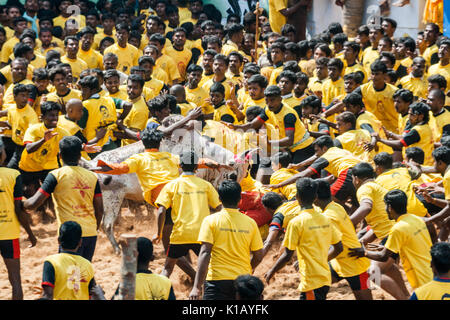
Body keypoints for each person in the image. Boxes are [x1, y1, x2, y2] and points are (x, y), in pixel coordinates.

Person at [23, 136, 103, 261]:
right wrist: (95, 228)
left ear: (60, 155)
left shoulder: (55, 175)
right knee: (83, 272)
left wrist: (21, 204)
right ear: (79, 156)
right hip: (90, 233)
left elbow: (34, 203)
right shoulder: (93, 177)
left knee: (71, 274)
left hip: (69, 235)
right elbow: (100, 210)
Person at [264, 177, 343, 300]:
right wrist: (321, 260)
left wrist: (272, 271)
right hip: (325, 277)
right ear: (315, 197)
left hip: (311, 281)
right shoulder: (325, 218)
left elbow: (287, 255)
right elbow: (339, 247)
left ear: (297, 197)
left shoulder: (296, 222)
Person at [350, 189, 434, 298]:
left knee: (373, 273)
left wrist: (364, 252)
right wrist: (383, 248)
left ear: (389, 207)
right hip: (430, 270)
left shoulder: (398, 228)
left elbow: (383, 257)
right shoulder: (416, 219)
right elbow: (407, 244)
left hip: (420, 276)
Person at [189, 180, 264, 300]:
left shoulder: (210, 221)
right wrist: (248, 269)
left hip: (216, 282)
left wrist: (196, 287)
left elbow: (205, 252)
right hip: (243, 284)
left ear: (219, 198)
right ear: (240, 199)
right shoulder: (250, 223)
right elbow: (259, 256)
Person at [154, 150, 222, 280]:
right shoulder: (206, 185)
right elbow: (220, 208)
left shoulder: (171, 185)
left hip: (180, 234)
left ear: (180, 166)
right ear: (196, 167)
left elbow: (161, 210)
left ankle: (160, 293)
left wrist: (158, 233)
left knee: (167, 268)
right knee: (211, 267)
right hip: (203, 235)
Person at [314, 179, 372, 300]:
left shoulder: (329, 216)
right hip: (338, 262)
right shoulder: (334, 206)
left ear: (315, 198)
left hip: (354, 264)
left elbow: (338, 248)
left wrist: (319, 261)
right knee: (315, 285)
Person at [0, 137, 36, 300]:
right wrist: (30, 232)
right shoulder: (13, 175)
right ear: (2, 154)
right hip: (9, 233)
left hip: (9, 234)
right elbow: (18, 209)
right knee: (15, 280)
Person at [40, 221, 105, 300]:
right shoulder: (87, 265)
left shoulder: (51, 262)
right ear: (80, 242)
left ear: (58, 241)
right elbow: (94, 293)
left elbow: (48, 295)